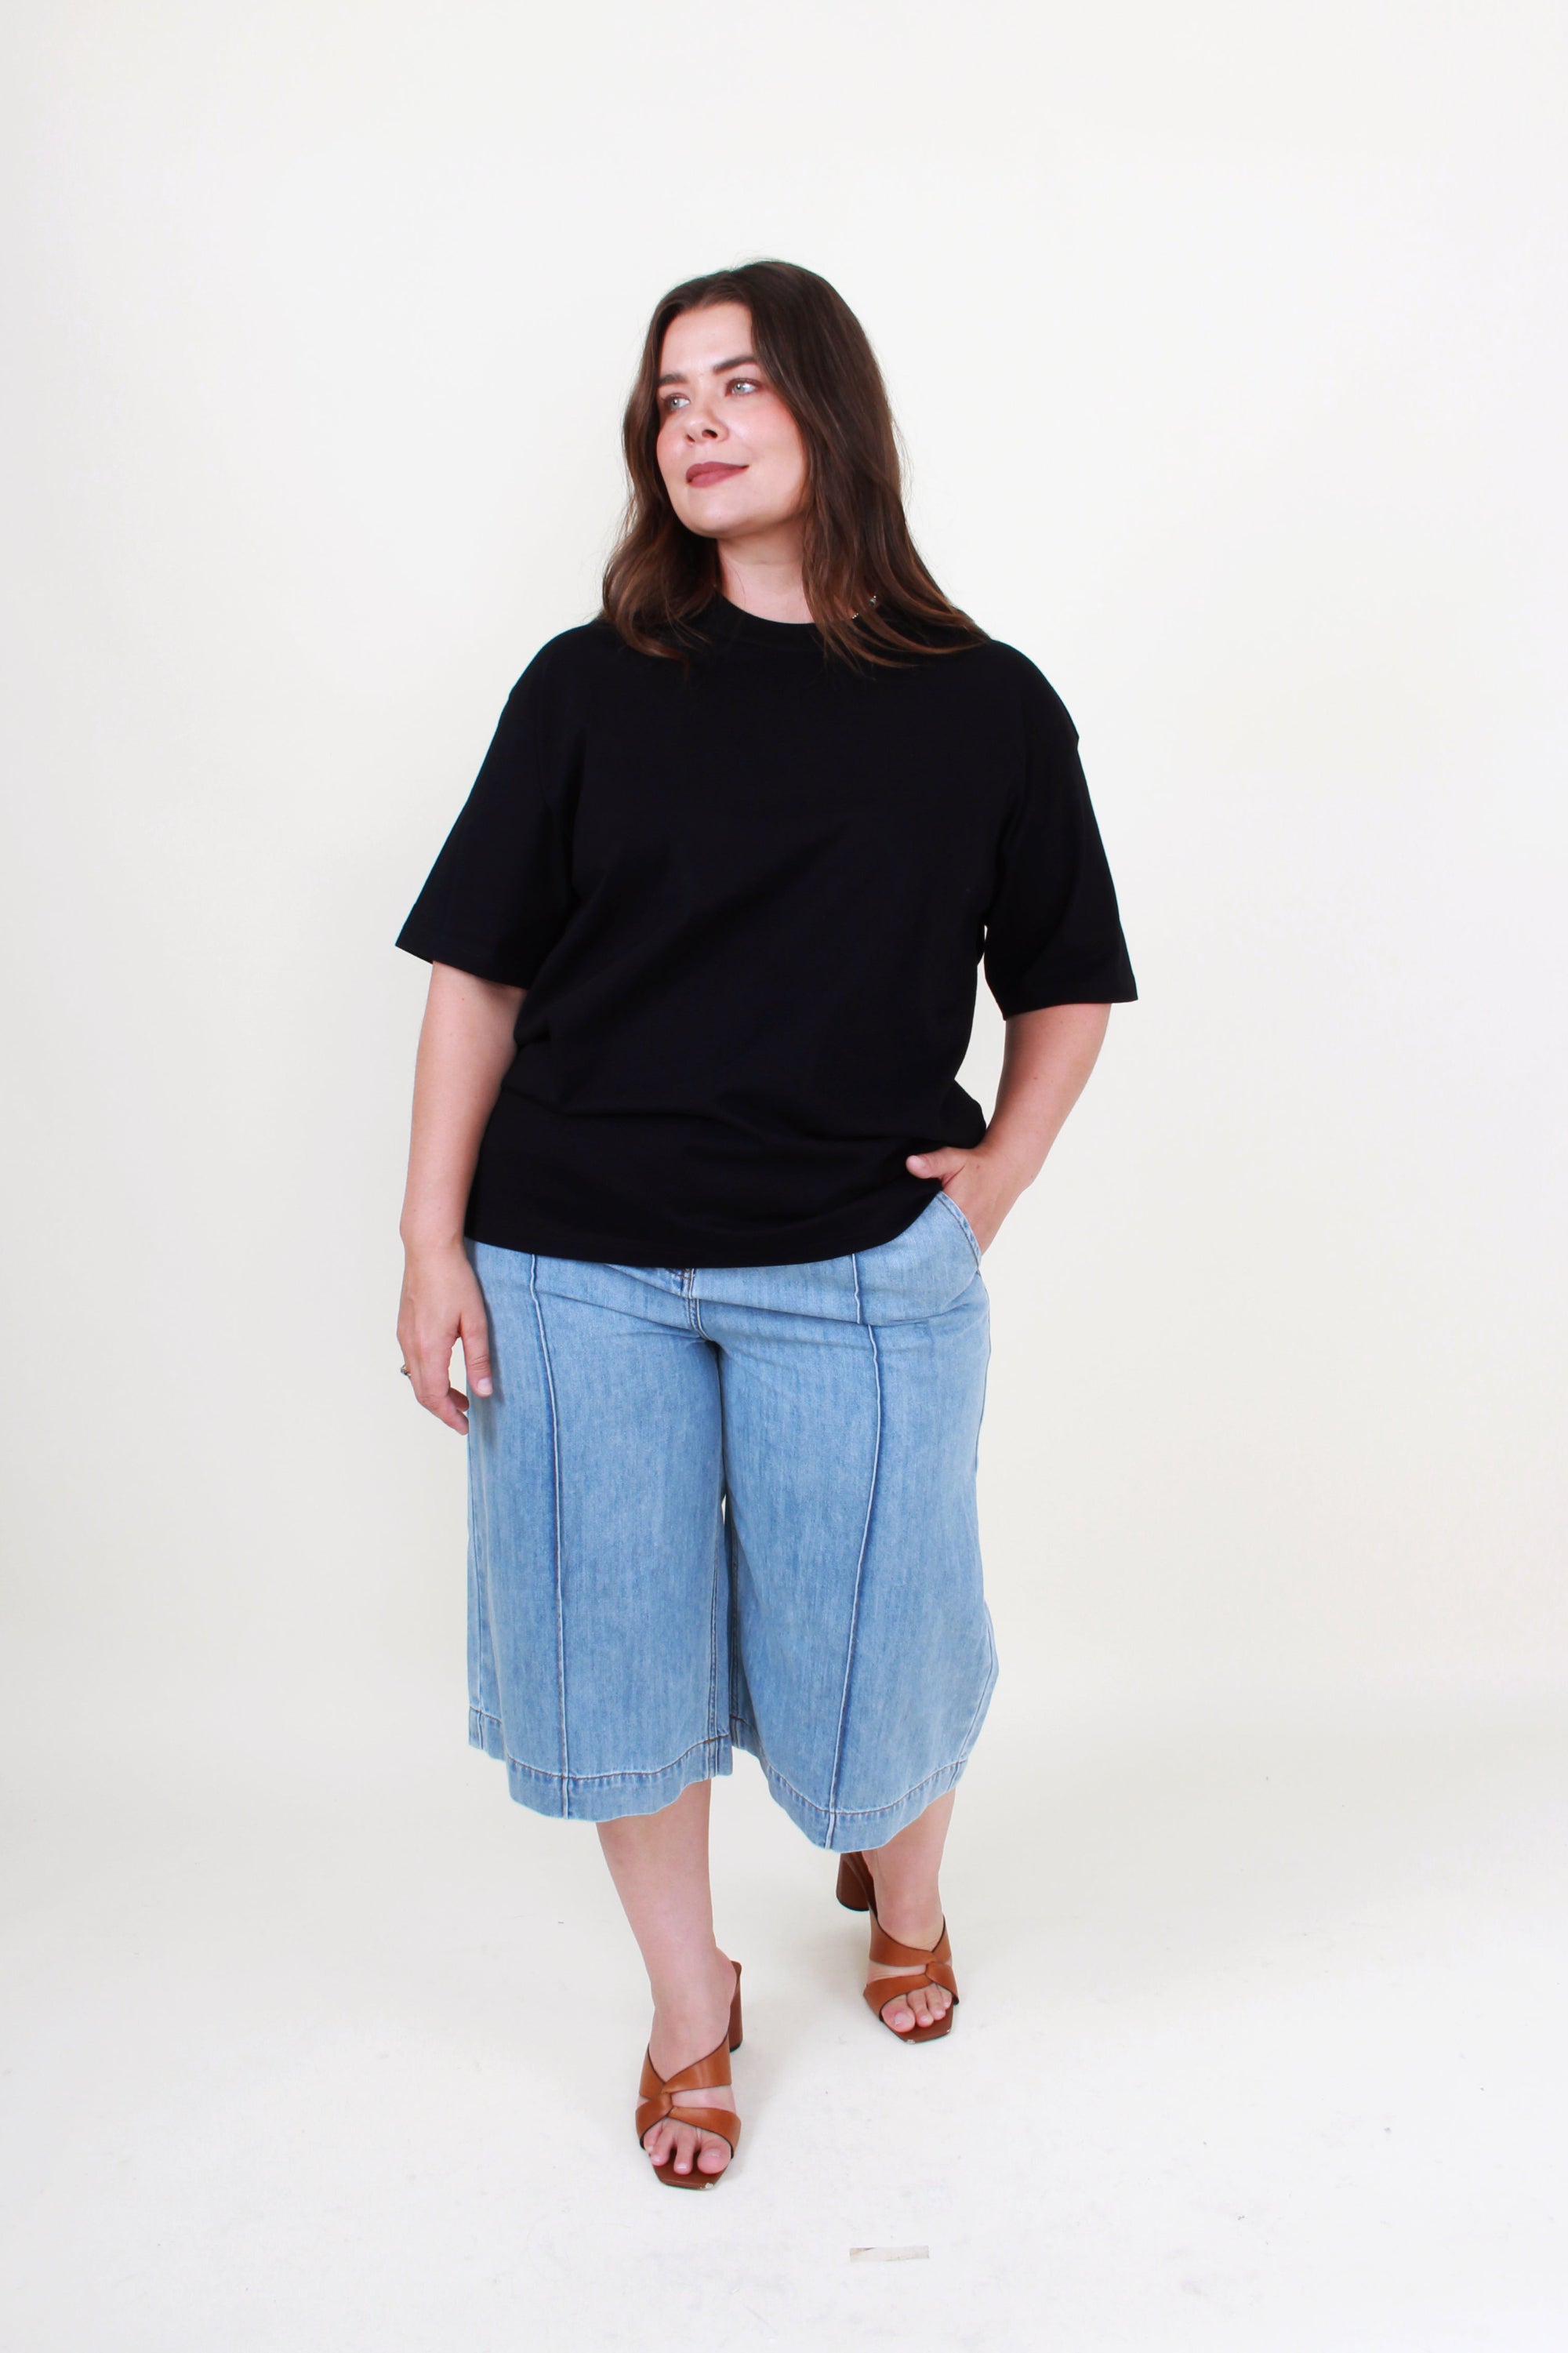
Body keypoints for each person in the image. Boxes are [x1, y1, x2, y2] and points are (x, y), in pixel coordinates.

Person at [394, 260, 1136, 2189]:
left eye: (738, 384)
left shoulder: (983, 707)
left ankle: (902, 1890)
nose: (698, 424)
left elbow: (1067, 979)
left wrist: (1003, 1176)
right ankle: (690, 2006)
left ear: (829, 411)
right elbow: (474, 973)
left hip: (858, 1266)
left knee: (882, 1650)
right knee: (609, 1654)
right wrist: (428, 1244)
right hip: (572, 1259)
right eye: (668, 399)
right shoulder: (586, 685)